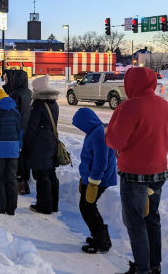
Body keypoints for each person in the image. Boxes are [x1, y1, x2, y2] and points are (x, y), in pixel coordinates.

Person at [105, 67, 168, 274]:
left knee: (135, 221)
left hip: (135, 173)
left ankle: (142, 269)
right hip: (159, 170)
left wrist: (116, 117)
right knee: (152, 218)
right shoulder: (164, 105)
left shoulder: (129, 107)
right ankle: (154, 265)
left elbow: (114, 141)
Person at [73, 107, 117, 254]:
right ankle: (100, 238)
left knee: (87, 208)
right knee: (88, 208)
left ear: (87, 121)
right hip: (92, 178)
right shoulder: (95, 131)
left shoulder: (99, 133)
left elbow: (101, 160)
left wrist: (94, 180)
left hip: (97, 179)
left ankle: (101, 241)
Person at [24, 75, 60, 215]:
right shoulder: (53, 103)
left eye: (34, 87)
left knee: (41, 175)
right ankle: (53, 204)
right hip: (51, 141)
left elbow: (32, 126)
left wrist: (27, 144)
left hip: (40, 144)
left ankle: (44, 205)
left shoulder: (39, 104)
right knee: (51, 173)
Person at [8, 70, 33, 195]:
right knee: (26, 156)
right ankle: (26, 180)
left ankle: (20, 182)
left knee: (18, 156)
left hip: (17, 129)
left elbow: (11, 113)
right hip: (29, 129)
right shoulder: (30, 93)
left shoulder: (14, 94)